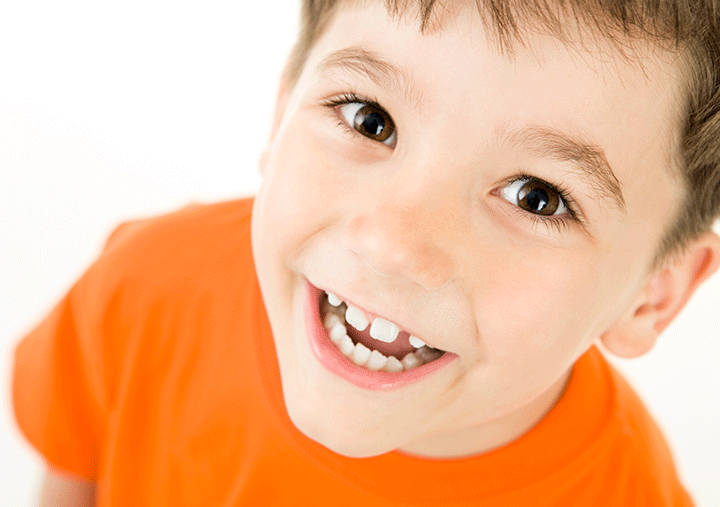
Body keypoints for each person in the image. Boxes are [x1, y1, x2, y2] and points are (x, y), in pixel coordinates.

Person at [12, 0, 720, 505]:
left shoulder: (625, 492)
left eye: (537, 195)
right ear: (282, 109)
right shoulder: (148, 290)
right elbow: (76, 465)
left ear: (653, 292)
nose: (392, 243)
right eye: (369, 118)